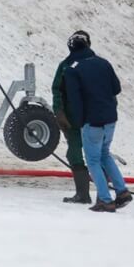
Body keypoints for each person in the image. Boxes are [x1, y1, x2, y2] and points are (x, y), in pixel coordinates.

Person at [62, 31, 131, 213]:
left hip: (92, 122)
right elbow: (116, 88)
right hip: (110, 119)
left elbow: (74, 101)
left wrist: (78, 122)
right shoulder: (104, 63)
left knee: (92, 160)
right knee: (104, 154)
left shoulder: (72, 70)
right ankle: (122, 191)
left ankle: (105, 200)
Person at [51, 31, 91, 204]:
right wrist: (59, 112)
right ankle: (85, 194)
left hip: (86, 118)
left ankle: (96, 193)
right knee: (78, 154)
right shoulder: (66, 65)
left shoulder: (70, 65)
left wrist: (60, 112)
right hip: (77, 119)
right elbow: (57, 90)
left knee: (93, 155)